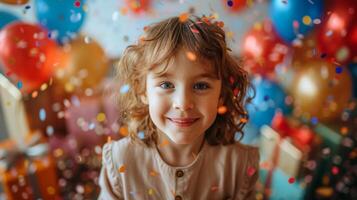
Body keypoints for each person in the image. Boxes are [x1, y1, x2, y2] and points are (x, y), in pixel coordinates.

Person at [98, 14, 259, 200]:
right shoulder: (120, 160)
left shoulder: (239, 166)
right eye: (166, 85)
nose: (182, 104)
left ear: (221, 95)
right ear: (142, 90)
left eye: (200, 86)